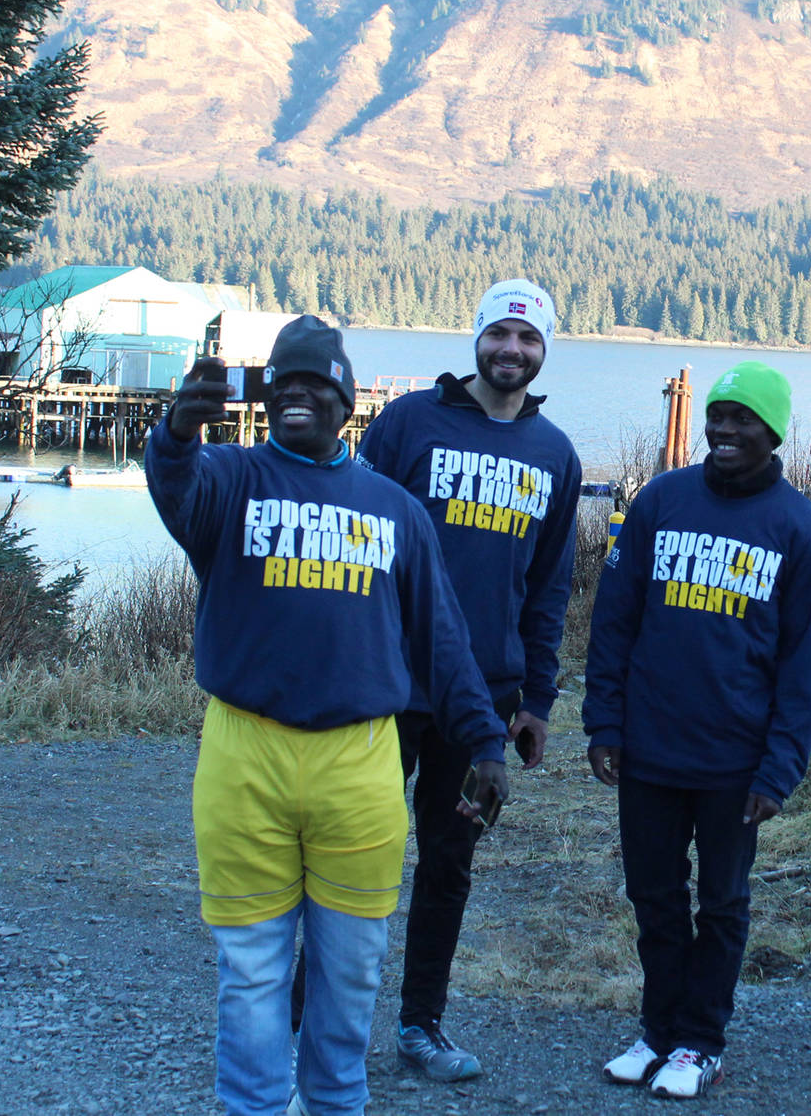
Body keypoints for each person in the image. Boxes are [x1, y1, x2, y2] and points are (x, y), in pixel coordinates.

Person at [146, 317, 509, 1116]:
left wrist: (485, 739)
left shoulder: (396, 511)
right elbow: (175, 491)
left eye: (315, 382)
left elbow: (442, 640)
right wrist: (175, 432)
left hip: (361, 763)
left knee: (349, 978)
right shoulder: (228, 480)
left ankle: (335, 1105)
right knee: (251, 976)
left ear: (347, 398)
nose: (296, 393)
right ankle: (253, 1107)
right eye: (282, 382)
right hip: (245, 756)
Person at [583, 360, 811, 1100]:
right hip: (650, 748)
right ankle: (658, 1031)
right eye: (718, 416)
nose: (724, 430)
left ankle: (701, 1042)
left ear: (773, 431)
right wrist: (604, 720)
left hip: (736, 762)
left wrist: (780, 768)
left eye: (743, 419)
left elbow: (806, 664)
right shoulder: (663, 501)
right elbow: (615, 620)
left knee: (721, 904)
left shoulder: (801, 530)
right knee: (654, 897)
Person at [354, 278, 582, 1081]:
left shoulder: (555, 454)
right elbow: (353, 538)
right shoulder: (407, 423)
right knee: (355, 858)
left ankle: (422, 1026)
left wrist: (539, 701)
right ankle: (315, 1016)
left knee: (448, 863)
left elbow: (548, 589)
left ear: (543, 350)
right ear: (477, 338)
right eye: (499, 335)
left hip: (483, 703)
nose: (510, 351)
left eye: (527, 340)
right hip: (385, 685)